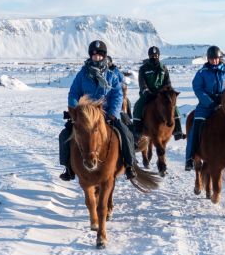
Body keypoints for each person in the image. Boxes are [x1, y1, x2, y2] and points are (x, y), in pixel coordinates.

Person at [58, 40, 137, 181]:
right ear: (90, 56)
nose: (97, 58)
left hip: (106, 115)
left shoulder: (111, 75)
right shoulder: (82, 74)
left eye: (100, 55)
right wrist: (75, 111)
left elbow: (117, 95)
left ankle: (130, 165)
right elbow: (74, 93)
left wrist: (113, 113)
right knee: (65, 135)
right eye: (94, 55)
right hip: (86, 117)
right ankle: (69, 168)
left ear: (104, 56)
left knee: (125, 133)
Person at [132, 46, 185, 141]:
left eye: (156, 56)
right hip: (147, 95)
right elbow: (142, 84)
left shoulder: (163, 68)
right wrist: (147, 93)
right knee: (137, 107)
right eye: (152, 56)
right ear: (149, 56)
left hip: (161, 95)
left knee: (173, 107)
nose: (154, 57)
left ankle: (178, 130)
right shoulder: (143, 69)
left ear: (159, 56)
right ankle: (137, 132)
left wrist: (167, 92)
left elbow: (168, 83)